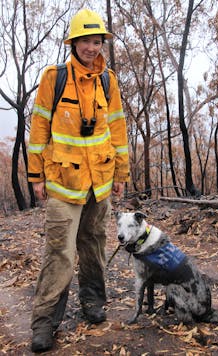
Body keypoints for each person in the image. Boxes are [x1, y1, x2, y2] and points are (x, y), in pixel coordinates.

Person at [27, 8, 129, 353]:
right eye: (85, 40)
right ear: (73, 43)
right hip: (62, 183)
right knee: (60, 254)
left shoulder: (108, 80)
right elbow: (39, 128)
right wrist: (35, 175)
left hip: (99, 182)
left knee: (94, 246)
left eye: (97, 40)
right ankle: (45, 323)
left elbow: (117, 129)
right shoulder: (53, 78)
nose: (91, 46)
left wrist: (121, 174)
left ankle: (92, 303)